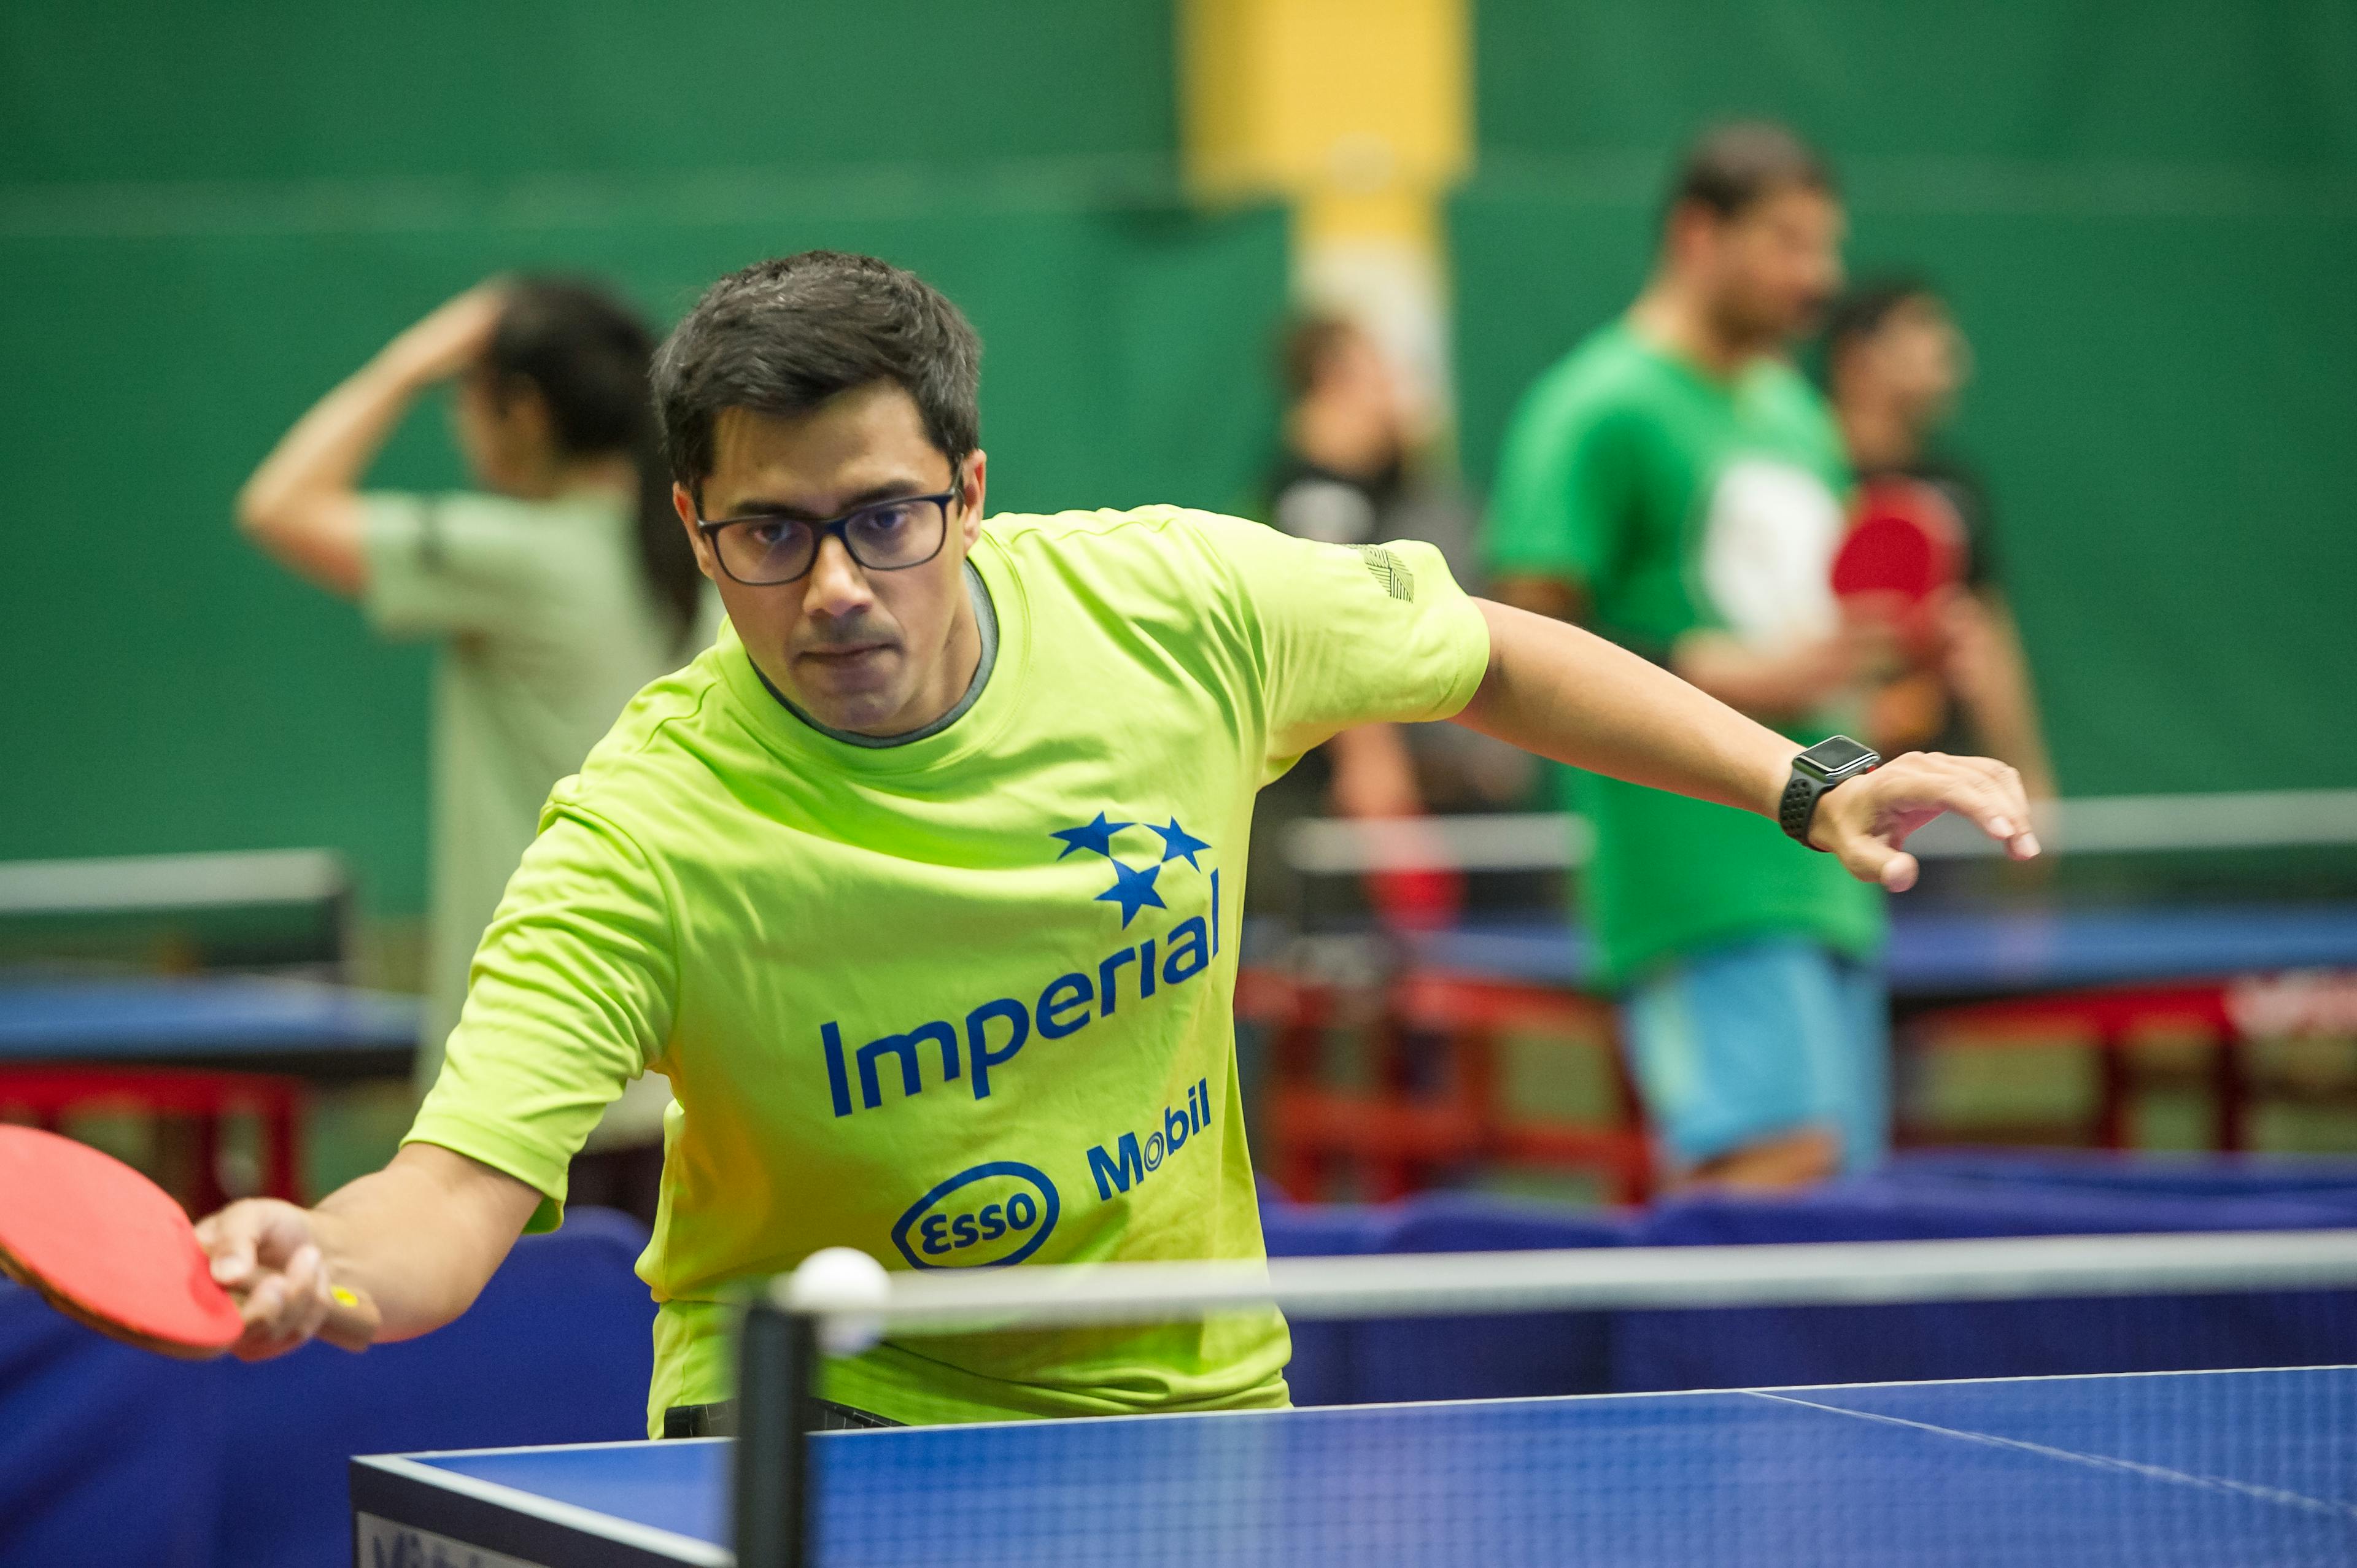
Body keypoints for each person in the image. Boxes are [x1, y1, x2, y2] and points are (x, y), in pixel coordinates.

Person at [201, 250, 2035, 1437]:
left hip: (1191, 1388)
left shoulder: (1178, 604)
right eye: (770, 532)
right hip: (828, 1426)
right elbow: (450, 1196)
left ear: (972, 490)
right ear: (693, 526)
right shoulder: (644, 831)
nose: (837, 583)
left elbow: (1489, 652)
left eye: (887, 515)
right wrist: (323, 1263)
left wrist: (1805, 777)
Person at [1484, 122, 1900, 1189]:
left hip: (1829, 864)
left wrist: (1873, 662)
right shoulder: (1597, 407)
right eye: (1789, 243)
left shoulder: (1795, 412)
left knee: (1840, 1201)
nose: (1820, 278)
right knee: (1768, 1174)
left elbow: (1802, 627)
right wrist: (1730, 671)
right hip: (1695, 874)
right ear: (1696, 234)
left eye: (1826, 248)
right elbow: (1521, 637)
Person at [236, 279, 705, 1211]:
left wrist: (408, 361)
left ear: (523, 411)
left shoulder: (522, 556)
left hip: (550, 1075)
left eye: (467, 395)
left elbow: (279, 505)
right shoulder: (700, 550)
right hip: (681, 1059)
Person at [1253, 314, 1520, 932]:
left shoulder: (1388, 491)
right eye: (1384, 374)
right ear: (1335, 379)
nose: (1402, 395)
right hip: (1354, 823)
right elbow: (1335, 628)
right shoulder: (1314, 499)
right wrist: (1373, 770)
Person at [1821, 277, 2055, 797]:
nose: (1952, 355)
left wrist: (2029, 775)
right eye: (1923, 329)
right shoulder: (1804, 480)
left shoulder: (1955, 489)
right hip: (1821, 785)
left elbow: (1990, 637)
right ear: (1859, 356)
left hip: (1942, 786)